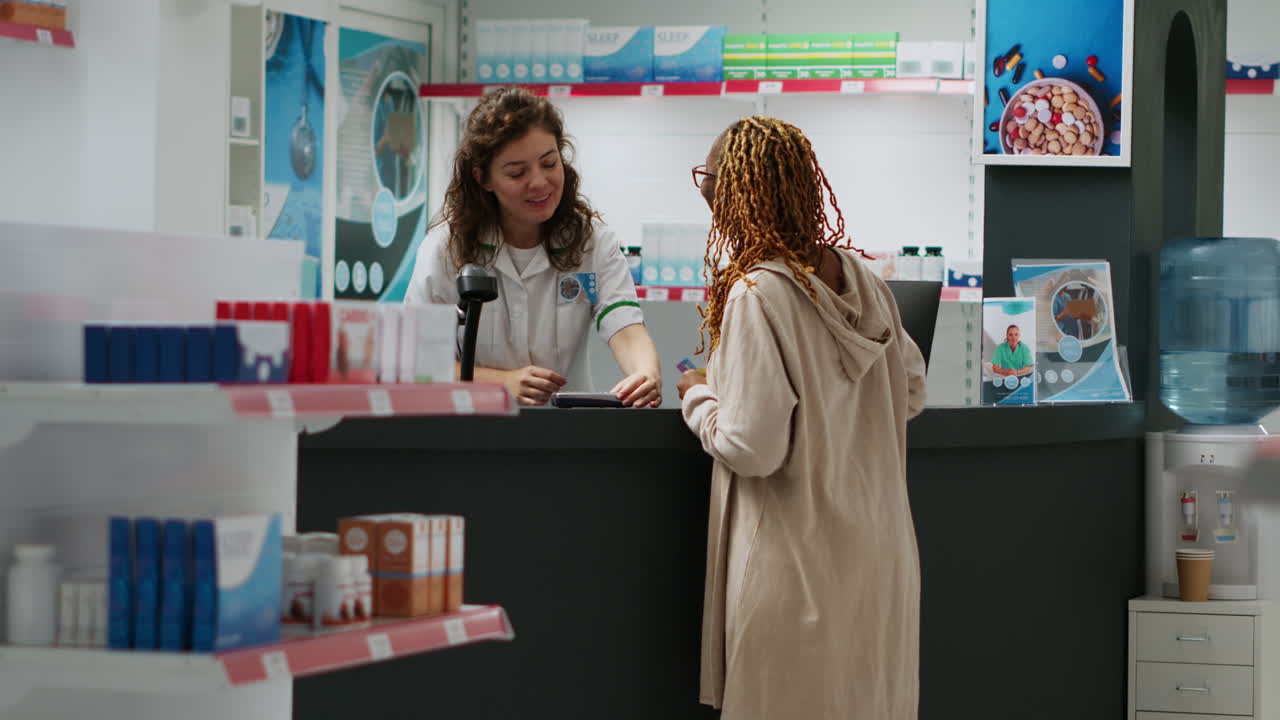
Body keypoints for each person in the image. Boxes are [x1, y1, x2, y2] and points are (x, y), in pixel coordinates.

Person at [675, 116, 926, 720]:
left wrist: (698, 395)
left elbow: (752, 445)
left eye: (709, 189)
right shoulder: (866, 282)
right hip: (879, 565)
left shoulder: (757, 293)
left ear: (736, 198)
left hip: (794, 573)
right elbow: (912, 390)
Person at [405, 87, 661, 407]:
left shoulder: (592, 242)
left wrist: (645, 373)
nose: (539, 182)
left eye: (549, 163)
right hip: (475, 433)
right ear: (483, 179)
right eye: (517, 172)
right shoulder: (446, 249)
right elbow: (413, 362)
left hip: (565, 435)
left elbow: (624, 324)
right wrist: (501, 382)